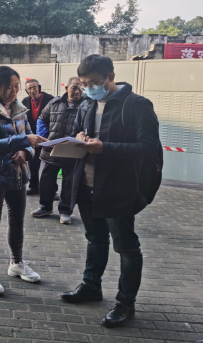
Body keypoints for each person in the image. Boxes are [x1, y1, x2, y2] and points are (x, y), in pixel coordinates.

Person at [60, 55, 161, 328]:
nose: (89, 88)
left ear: (111, 77)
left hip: (119, 187)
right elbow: (79, 130)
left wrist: (105, 148)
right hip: (86, 184)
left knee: (126, 247)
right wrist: (79, 137)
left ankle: (126, 303)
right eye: (84, 84)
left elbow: (148, 149)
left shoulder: (137, 105)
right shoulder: (86, 103)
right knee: (95, 238)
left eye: (95, 82)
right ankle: (91, 286)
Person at [0, 66, 48, 295]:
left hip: (17, 174)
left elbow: (30, 139)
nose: (15, 91)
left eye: (17, 87)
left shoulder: (19, 109)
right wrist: (24, 141)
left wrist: (26, 152)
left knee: (17, 222)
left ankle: (16, 263)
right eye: (10, 87)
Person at [31, 77, 84, 225]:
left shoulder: (86, 105)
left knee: (69, 184)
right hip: (50, 149)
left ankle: (65, 211)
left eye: (81, 88)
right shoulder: (54, 102)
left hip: (72, 151)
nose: (78, 91)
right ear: (66, 88)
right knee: (45, 181)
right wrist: (44, 137)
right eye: (74, 87)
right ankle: (45, 207)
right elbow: (42, 119)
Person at [21, 79, 54, 195]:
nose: (32, 90)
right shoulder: (25, 101)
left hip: (47, 136)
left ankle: (50, 190)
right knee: (33, 162)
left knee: (48, 164)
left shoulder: (50, 100)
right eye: (29, 88)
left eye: (34, 87)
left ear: (39, 87)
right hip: (31, 137)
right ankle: (34, 186)